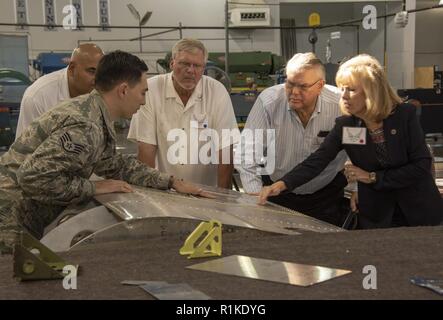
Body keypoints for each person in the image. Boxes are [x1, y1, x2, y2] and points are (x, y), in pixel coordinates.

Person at [0, 50, 208, 254]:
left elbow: (114, 164)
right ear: (124, 90)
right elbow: (32, 177)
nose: (144, 101)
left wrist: (170, 182)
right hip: (8, 218)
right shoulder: (86, 125)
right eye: (143, 92)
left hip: (18, 214)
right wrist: (93, 187)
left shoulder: (94, 114)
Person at [258, 54, 443, 229]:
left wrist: (371, 177)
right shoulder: (347, 125)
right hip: (378, 215)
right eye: (342, 88)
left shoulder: (404, 116)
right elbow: (318, 160)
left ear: (372, 91)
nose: (343, 95)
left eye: (351, 90)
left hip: (419, 211)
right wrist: (282, 184)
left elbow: (421, 165)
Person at [235, 52, 349, 226]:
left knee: (327, 248)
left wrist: (355, 189)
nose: (294, 92)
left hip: (325, 195)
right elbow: (246, 155)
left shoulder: (340, 105)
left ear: (320, 86)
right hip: (277, 194)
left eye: (303, 87)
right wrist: (255, 196)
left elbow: (355, 151)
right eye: (290, 84)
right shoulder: (269, 102)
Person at [128, 38, 239, 189]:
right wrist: (149, 197)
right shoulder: (151, 89)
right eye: (184, 64)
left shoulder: (216, 91)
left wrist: (223, 200)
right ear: (172, 63)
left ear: (204, 67)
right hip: (164, 190)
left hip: (207, 191)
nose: (190, 70)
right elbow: (146, 149)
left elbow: (225, 150)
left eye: (197, 66)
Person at [15, 43, 104, 138]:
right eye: (91, 71)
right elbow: (24, 149)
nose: (97, 79)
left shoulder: (101, 91)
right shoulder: (38, 97)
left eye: (101, 73)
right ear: (72, 68)